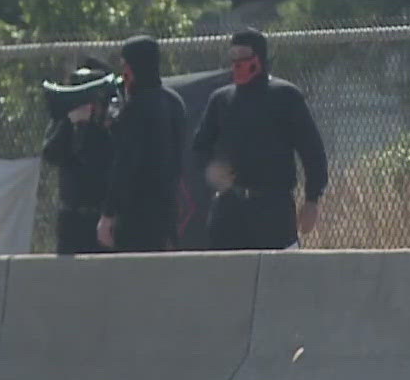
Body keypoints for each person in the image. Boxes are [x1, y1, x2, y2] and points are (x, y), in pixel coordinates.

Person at [191, 28, 330, 251]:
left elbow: (312, 151)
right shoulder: (221, 100)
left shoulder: (285, 96)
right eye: (232, 56)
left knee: (282, 276)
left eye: (243, 56)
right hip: (230, 208)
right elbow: (200, 147)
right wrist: (213, 170)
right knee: (227, 278)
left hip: (273, 207)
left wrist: (312, 199)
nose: (237, 63)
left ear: (260, 58)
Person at [98, 35, 187, 253]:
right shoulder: (174, 101)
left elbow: (125, 163)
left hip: (136, 214)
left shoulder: (137, 108)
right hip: (168, 209)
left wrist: (108, 214)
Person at [41, 58, 115, 255]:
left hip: (100, 217)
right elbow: (51, 154)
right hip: (71, 217)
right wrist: (70, 123)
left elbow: (99, 162)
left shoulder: (110, 122)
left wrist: (90, 127)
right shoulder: (63, 119)